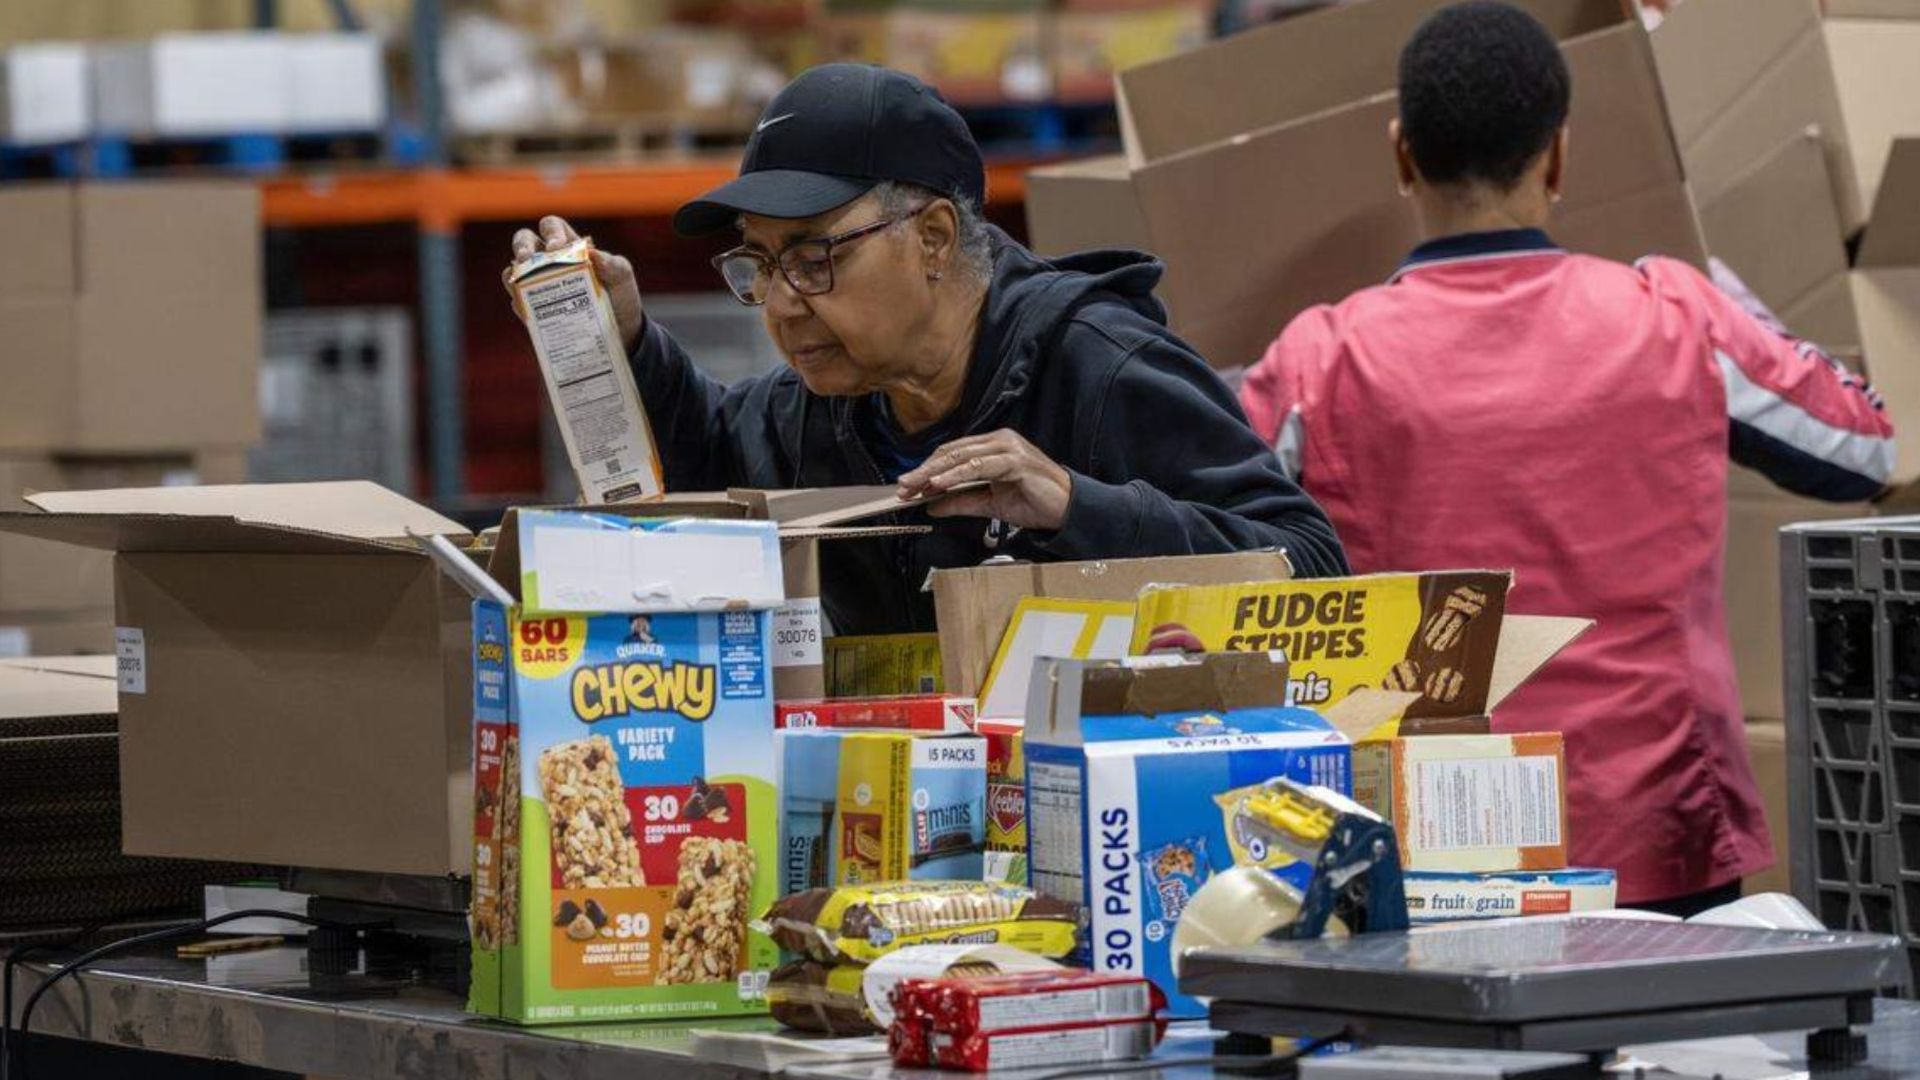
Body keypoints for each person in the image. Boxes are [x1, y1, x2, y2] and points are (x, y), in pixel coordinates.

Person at [1238, 1, 1893, 916]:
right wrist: (1724, 285)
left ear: (1401, 156)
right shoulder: (1678, 316)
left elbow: (1203, 527)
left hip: (1425, 853)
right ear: (1558, 155)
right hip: (1663, 838)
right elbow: (1868, 446)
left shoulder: (1318, 359)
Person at [513, 63, 1347, 636]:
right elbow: (708, 474)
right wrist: (621, 338)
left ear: (934, 237)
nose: (779, 301)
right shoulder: (818, 406)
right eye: (759, 263)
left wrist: (1074, 505)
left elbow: (1313, 569)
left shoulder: (1099, 364)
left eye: (813, 258)